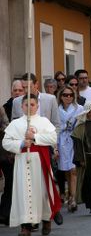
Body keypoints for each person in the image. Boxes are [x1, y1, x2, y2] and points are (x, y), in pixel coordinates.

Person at [2, 94, 62, 236]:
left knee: (42, 192)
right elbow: (6, 142)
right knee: (24, 193)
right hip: (22, 161)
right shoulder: (15, 124)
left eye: (33, 105)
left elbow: (53, 137)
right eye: (26, 105)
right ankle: (26, 227)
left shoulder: (43, 121)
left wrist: (34, 137)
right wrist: (22, 143)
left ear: (37, 106)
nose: (29, 107)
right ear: (21, 106)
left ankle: (46, 219)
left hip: (40, 162)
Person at [57, 86, 83, 212]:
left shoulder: (79, 108)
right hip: (61, 140)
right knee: (66, 170)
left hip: (74, 140)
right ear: (61, 96)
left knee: (73, 170)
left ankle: (73, 198)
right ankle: (70, 193)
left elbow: (83, 124)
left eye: (71, 95)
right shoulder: (56, 109)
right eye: (65, 95)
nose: (68, 97)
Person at [0, 107, 11, 226]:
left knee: (10, 182)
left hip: (3, 153)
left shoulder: (0, 110)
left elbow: (6, 126)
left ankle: (5, 213)